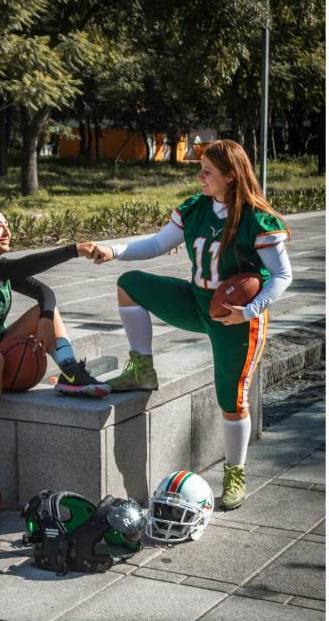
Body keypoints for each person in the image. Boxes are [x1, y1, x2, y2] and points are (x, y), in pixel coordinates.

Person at [92, 139, 293, 510]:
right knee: (130, 285)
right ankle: (141, 368)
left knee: (231, 402)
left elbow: (282, 276)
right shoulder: (195, 208)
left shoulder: (255, 218)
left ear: (230, 176)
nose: (199, 176)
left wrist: (249, 312)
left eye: (207, 171)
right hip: (196, 299)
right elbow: (156, 245)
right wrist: (114, 250)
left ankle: (236, 472)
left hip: (235, 317)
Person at [0, 204, 110, 471]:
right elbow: (22, 266)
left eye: (6, 224)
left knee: (45, 310)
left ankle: (70, 371)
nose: (6, 231)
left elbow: (45, 293)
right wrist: (73, 250)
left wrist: (46, 318)